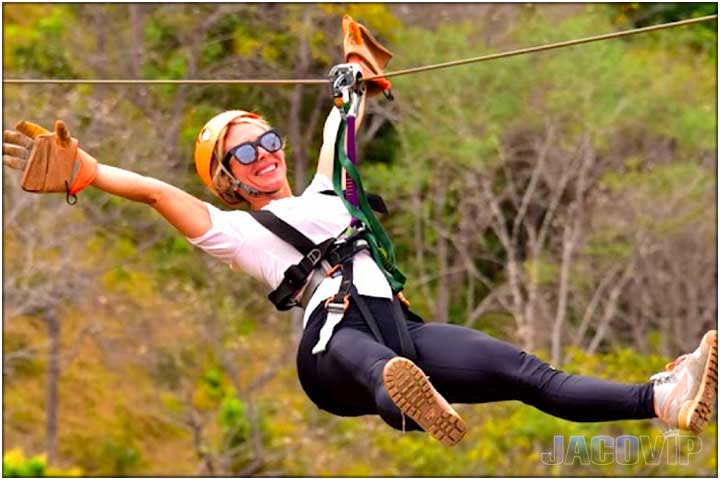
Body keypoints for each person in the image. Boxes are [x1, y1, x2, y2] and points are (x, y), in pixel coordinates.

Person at [3, 16, 716, 447]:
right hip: (333, 349)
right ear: (225, 178)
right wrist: (89, 172)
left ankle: (660, 398)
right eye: (245, 152)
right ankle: (405, 399)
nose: (267, 153)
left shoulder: (328, 193)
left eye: (269, 138)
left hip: (399, 331)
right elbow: (159, 193)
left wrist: (355, 75)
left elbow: (339, 129)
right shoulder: (236, 232)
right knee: (373, 362)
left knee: (529, 375)